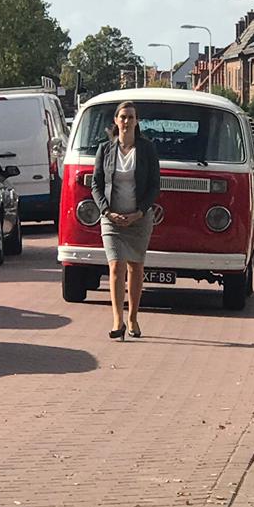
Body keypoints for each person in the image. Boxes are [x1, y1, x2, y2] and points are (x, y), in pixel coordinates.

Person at [91, 101, 161, 341]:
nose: (127, 121)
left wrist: (139, 212)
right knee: (115, 265)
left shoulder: (147, 149)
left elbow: (154, 186)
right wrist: (107, 211)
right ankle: (117, 320)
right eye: (123, 117)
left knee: (135, 267)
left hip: (139, 218)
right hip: (111, 219)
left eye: (131, 117)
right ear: (116, 121)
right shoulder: (105, 150)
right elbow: (96, 184)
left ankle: (132, 317)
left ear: (137, 121)